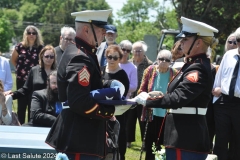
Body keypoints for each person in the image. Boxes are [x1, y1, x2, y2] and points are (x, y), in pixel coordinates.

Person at [134, 16, 219, 160]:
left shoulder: (197, 68)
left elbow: (179, 98)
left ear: (198, 42)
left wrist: (149, 100)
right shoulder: (192, 65)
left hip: (187, 136)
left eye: (185, 40)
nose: (181, 43)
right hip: (181, 134)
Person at [45, 10, 117, 160]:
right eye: (101, 30)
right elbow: (79, 101)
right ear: (86, 29)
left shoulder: (82, 52)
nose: (104, 34)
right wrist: (107, 111)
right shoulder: (80, 57)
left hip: (80, 134)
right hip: (79, 136)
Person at [138, 49, 177, 160]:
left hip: (167, 114)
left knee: (164, 143)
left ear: (171, 61)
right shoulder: (149, 71)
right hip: (151, 113)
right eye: (161, 59)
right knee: (150, 143)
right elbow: (141, 91)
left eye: (167, 60)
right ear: (157, 59)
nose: (163, 61)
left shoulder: (174, 73)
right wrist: (150, 95)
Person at [6, 45, 56, 124]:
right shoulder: (34, 70)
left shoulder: (58, 71)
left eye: (51, 57)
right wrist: (13, 94)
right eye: (46, 56)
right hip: (36, 106)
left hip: (52, 107)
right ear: (42, 56)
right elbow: (25, 89)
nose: (49, 59)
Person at [212, 27, 240, 160]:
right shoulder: (229, 55)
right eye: (237, 40)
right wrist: (217, 89)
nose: (237, 44)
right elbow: (219, 77)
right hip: (223, 103)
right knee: (221, 141)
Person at [11, 25, 44, 124]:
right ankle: (20, 124)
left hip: (35, 81)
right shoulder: (20, 46)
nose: (31, 35)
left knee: (32, 104)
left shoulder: (41, 48)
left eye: (34, 33)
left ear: (37, 35)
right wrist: (20, 70)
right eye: (29, 33)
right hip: (21, 80)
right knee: (21, 105)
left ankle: (31, 125)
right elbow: (13, 60)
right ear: (25, 34)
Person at [101, 45, 129, 160]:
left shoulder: (122, 74)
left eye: (115, 58)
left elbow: (123, 93)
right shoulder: (100, 71)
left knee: (119, 138)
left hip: (117, 112)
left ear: (120, 59)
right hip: (101, 111)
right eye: (109, 57)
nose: (112, 60)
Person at [126, 41, 152, 148]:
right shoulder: (128, 63)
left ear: (144, 52)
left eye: (139, 51)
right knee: (129, 120)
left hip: (143, 96)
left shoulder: (150, 64)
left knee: (143, 120)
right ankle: (128, 141)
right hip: (130, 96)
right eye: (135, 51)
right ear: (132, 51)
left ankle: (145, 143)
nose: (137, 53)